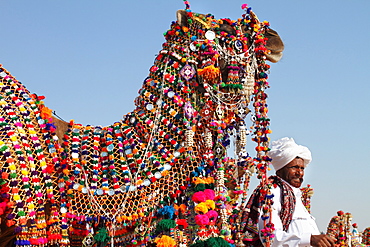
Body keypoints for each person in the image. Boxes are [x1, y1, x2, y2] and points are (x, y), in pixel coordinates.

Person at [241, 137, 335, 247]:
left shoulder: (295, 197)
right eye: (295, 167)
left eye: (302, 168)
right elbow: (270, 237)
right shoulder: (272, 192)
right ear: (281, 169)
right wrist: (309, 239)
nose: (299, 173)